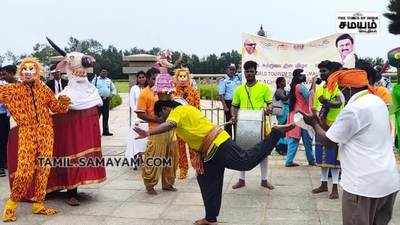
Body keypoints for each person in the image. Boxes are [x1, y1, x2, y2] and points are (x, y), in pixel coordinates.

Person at [133, 100, 295, 225]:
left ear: (165, 109)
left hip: (218, 144)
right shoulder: (186, 111)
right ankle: (210, 218)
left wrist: (148, 132)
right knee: (206, 181)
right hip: (208, 152)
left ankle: (275, 133)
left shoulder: (178, 111)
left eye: (160, 116)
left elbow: (169, 124)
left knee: (246, 162)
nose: (161, 120)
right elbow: (194, 134)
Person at [301, 69, 400, 225]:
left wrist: (313, 123)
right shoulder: (377, 101)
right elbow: (337, 133)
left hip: (363, 187)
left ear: (347, 88)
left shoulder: (354, 109)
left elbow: (328, 141)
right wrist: (319, 122)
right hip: (388, 183)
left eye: (339, 88)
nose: (338, 93)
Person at [0, 57, 70, 222]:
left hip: (46, 131)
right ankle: (11, 205)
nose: (28, 71)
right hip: (27, 132)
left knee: (43, 168)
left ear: (37, 72)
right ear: (21, 72)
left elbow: (57, 108)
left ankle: (38, 203)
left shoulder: (44, 88)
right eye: (25, 69)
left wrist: (64, 102)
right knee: (25, 170)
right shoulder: (12, 90)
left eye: (32, 69)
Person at [230, 60, 274, 190]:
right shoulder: (239, 89)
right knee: (242, 152)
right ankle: (241, 180)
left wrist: (269, 108)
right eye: (247, 71)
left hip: (260, 125)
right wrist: (233, 116)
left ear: (256, 72)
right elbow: (234, 106)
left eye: (251, 71)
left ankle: (264, 180)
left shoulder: (264, 88)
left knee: (263, 153)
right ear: (244, 73)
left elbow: (270, 103)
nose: (249, 73)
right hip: (243, 126)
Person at [135, 68, 177, 195]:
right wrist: (157, 119)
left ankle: (168, 183)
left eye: (158, 78)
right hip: (155, 131)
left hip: (170, 129)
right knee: (154, 158)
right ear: (148, 79)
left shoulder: (168, 92)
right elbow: (140, 114)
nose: (156, 81)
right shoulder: (145, 93)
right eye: (153, 78)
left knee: (172, 157)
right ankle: (150, 184)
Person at [311, 60, 344, 199]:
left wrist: (327, 102)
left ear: (331, 72)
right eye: (321, 71)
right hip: (322, 126)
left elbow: (338, 103)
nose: (322, 73)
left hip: (335, 126)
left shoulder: (337, 86)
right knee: (322, 157)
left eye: (324, 71)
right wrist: (318, 121)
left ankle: (335, 187)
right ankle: (324, 184)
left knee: (334, 159)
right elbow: (316, 108)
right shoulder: (320, 88)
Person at [173, 67, 202, 179]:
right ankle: (183, 169)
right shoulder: (173, 92)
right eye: (180, 76)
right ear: (177, 78)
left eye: (184, 76)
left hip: (191, 124)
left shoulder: (194, 92)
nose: (182, 78)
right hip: (179, 124)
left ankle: (196, 167)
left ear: (188, 78)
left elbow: (197, 107)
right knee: (180, 148)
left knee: (193, 147)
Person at [285, 69, 316, 167]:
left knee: (294, 140)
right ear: (299, 77)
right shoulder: (300, 87)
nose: (304, 76)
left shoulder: (295, 86)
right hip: (302, 116)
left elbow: (308, 95)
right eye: (302, 75)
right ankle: (311, 161)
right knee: (307, 140)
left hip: (295, 115)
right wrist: (314, 83)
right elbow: (310, 97)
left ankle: (289, 161)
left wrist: (312, 85)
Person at [126, 71, 148, 169]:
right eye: (140, 77)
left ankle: (142, 157)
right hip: (137, 117)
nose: (142, 79)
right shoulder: (134, 89)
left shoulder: (148, 89)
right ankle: (136, 158)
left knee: (145, 139)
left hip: (147, 117)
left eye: (143, 77)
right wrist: (139, 113)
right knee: (136, 138)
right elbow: (132, 103)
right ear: (137, 79)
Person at [0, 65, 16, 177]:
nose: (3, 76)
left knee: (6, 140)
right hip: (2, 115)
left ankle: (5, 163)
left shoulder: (5, 84)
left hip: (6, 116)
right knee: (1, 141)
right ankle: (1, 166)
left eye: (4, 74)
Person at [218, 63, 242, 136]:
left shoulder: (238, 78)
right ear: (227, 70)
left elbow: (243, 72)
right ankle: (228, 140)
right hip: (228, 103)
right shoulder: (224, 80)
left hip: (237, 102)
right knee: (229, 122)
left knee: (237, 121)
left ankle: (236, 139)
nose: (232, 71)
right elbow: (221, 95)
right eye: (230, 69)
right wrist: (225, 106)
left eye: (234, 69)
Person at [92, 68, 117, 136]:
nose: (104, 73)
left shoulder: (108, 80)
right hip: (98, 100)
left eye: (105, 72)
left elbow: (113, 88)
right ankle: (95, 132)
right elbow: (91, 89)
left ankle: (106, 131)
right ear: (100, 72)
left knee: (106, 116)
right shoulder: (96, 80)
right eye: (103, 72)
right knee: (97, 116)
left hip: (106, 100)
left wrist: (112, 94)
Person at [272, 77, 289, 155]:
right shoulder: (279, 91)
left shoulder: (284, 91)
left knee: (284, 130)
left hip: (285, 112)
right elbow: (284, 99)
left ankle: (282, 147)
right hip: (282, 113)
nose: (285, 83)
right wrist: (292, 92)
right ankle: (280, 147)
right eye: (283, 81)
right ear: (279, 83)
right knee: (282, 129)